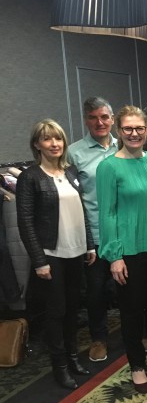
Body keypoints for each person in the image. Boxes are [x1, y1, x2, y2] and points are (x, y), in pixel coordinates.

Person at [96, 106, 147, 394]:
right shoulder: (108, 167)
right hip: (128, 250)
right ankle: (137, 365)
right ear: (119, 130)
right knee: (131, 310)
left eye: (139, 128)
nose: (134, 133)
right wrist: (114, 255)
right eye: (128, 128)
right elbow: (107, 213)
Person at [17, 119, 96, 389]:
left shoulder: (70, 171)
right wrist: (39, 261)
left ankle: (73, 357)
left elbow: (81, 211)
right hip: (51, 255)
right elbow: (25, 222)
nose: (54, 144)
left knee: (73, 309)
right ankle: (60, 366)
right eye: (48, 139)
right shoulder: (30, 176)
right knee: (56, 312)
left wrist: (89, 244)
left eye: (58, 139)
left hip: (76, 252)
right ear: (37, 144)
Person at [67, 96, 117, 363]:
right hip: (95, 235)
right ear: (86, 120)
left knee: (128, 287)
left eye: (104, 117)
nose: (100, 122)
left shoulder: (125, 146)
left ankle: (139, 331)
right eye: (93, 118)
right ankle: (99, 337)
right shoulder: (74, 152)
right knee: (96, 291)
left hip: (123, 233)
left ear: (112, 118)